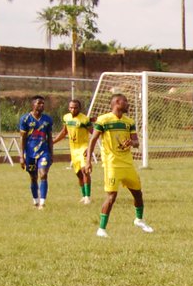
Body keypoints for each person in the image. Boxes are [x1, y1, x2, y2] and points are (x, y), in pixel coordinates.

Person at [85, 93, 155, 237]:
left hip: (128, 164)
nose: (128, 104)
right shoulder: (103, 120)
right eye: (125, 101)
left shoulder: (129, 122)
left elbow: (136, 142)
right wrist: (88, 162)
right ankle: (101, 229)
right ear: (117, 102)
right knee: (111, 197)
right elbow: (93, 140)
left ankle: (139, 220)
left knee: (138, 194)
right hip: (112, 165)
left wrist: (132, 142)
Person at [51, 98, 93, 203]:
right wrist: (53, 142)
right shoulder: (66, 118)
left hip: (83, 147)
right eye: (71, 107)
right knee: (78, 173)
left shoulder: (84, 120)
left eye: (75, 108)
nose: (73, 109)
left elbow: (93, 134)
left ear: (80, 108)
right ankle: (83, 195)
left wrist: (89, 148)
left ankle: (88, 197)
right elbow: (64, 131)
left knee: (85, 171)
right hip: (73, 149)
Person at [18, 95, 54, 208]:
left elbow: (50, 138)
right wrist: (21, 156)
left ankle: (42, 203)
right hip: (30, 154)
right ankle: (36, 200)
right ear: (33, 104)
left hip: (44, 152)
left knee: (43, 174)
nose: (41, 105)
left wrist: (51, 154)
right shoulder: (25, 119)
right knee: (33, 177)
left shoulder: (47, 119)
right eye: (39, 103)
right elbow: (22, 138)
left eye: (43, 103)